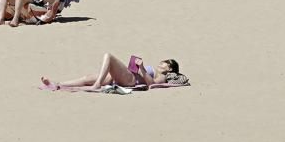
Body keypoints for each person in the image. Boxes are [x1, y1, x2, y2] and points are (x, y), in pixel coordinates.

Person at [40, 55, 186, 90]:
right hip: (127, 76)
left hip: (131, 80)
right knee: (86, 78)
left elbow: (151, 84)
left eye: (165, 63)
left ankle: (96, 85)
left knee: (108, 57)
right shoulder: (157, 71)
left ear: (170, 69)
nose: (162, 63)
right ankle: (57, 84)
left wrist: (141, 68)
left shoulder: (163, 76)